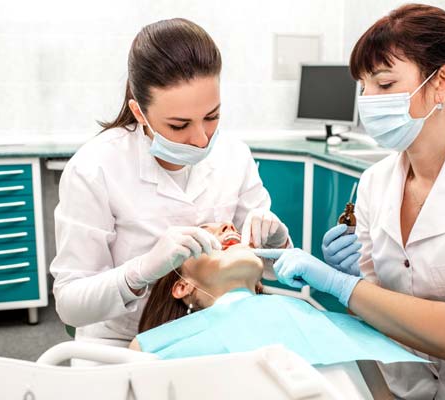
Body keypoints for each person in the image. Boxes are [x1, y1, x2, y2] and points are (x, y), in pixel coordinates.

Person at [273, 4, 445, 399]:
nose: (367, 101)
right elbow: (372, 315)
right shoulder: (374, 183)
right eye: (363, 86)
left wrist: (342, 286)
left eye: (383, 85)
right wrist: (360, 286)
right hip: (398, 388)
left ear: (441, 83)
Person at [50, 18, 290, 349]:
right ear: (139, 112)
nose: (201, 138)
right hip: (121, 341)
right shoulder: (96, 168)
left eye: (212, 116)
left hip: (219, 331)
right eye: (179, 125)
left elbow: (265, 268)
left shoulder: (234, 155)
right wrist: (139, 272)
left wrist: (277, 247)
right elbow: (70, 305)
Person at [128, 223, 425, 368]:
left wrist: (350, 285)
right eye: (204, 234)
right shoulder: (151, 349)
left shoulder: (312, 319)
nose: (229, 227)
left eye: (230, 227)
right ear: (182, 286)